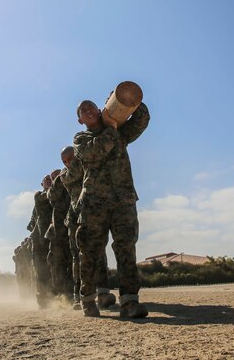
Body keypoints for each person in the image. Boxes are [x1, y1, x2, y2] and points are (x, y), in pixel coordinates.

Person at [73, 99, 150, 318]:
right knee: (91, 252)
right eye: (83, 111)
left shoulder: (119, 132)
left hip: (123, 200)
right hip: (94, 204)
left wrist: (127, 101)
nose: (89, 111)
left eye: (92, 107)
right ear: (80, 120)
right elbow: (94, 153)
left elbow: (141, 121)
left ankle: (129, 302)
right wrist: (112, 128)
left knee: (126, 248)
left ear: (100, 110)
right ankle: (88, 299)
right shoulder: (81, 139)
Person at [60, 146, 116, 311]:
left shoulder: (86, 163)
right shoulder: (65, 174)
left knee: (100, 253)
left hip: (95, 213)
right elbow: (77, 173)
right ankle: (80, 296)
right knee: (79, 258)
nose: (68, 163)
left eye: (70, 158)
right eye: (65, 161)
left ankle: (103, 293)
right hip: (76, 218)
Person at [46, 169, 73, 300]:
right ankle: (61, 293)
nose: (55, 179)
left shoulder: (70, 180)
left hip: (71, 226)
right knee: (56, 262)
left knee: (72, 260)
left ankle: (71, 292)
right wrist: (57, 181)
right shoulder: (53, 189)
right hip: (57, 231)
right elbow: (51, 196)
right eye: (53, 178)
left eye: (56, 176)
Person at [28, 175, 54, 308]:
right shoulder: (39, 195)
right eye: (47, 180)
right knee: (41, 270)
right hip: (39, 240)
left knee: (53, 269)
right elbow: (47, 195)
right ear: (42, 184)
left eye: (51, 180)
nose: (49, 181)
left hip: (52, 237)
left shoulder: (57, 195)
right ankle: (42, 301)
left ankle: (56, 299)